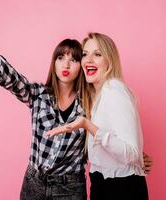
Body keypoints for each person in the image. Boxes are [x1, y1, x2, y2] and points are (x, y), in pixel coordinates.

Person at [0, 21, 152, 200]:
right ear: (54, 63)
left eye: (74, 59)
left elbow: (112, 134)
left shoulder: (91, 102)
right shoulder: (38, 95)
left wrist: (135, 159)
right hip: (34, 184)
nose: (66, 64)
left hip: (70, 187)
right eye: (60, 57)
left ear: (80, 67)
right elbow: (9, 77)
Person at [47, 32, 149, 199]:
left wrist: (89, 126)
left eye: (97, 54)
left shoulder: (113, 89)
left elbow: (131, 153)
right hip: (102, 184)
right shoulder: (95, 97)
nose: (88, 60)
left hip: (120, 189)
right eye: (85, 54)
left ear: (109, 60)